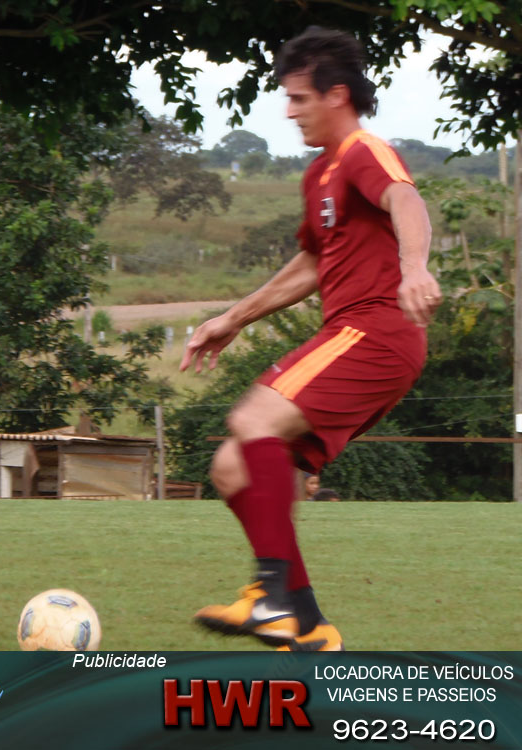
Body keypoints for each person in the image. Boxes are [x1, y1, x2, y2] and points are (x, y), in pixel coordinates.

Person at [179, 27, 440, 652]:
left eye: (298, 98)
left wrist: (414, 268)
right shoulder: (320, 174)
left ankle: (271, 598)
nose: (289, 112)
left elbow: (406, 200)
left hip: (375, 330)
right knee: (232, 467)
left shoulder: (363, 152)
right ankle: (308, 621)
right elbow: (311, 266)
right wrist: (233, 317)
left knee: (253, 417)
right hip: (357, 337)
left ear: (337, 95)